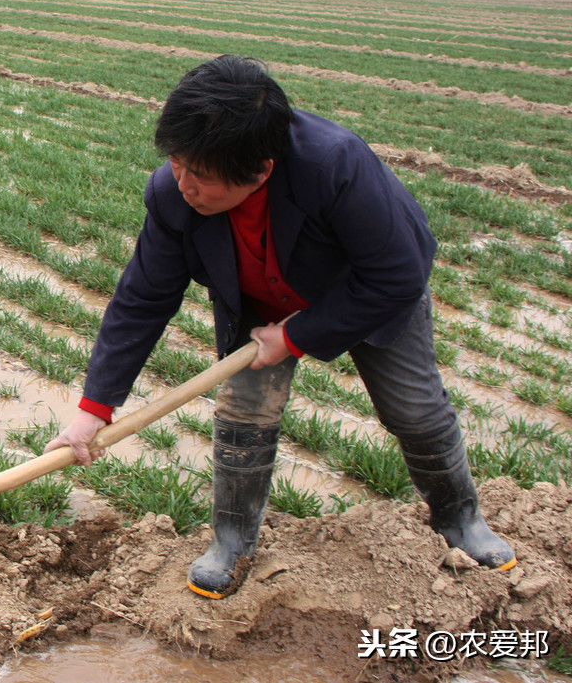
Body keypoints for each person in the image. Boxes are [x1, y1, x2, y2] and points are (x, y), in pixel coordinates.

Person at [44, 54, 516, 599]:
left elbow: (395, 274)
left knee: (414, 408)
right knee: (244, 413)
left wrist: (296, 335)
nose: (185, 184)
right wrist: (93, 408)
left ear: (261, 169)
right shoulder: (172, 193)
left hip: (364, 290)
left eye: (202, 176)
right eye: (177, 162)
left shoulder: (335, 165)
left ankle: (460, 519)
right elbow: (142, 299)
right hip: (255, 299)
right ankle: (232, 541)